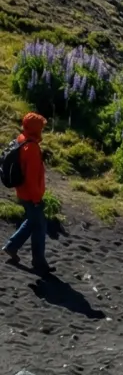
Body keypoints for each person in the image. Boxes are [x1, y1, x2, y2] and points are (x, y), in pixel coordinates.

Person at [3, 112, 49, 272]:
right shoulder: (32, 148)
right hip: (31, 195)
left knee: (32, 222)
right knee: (40, 226)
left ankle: (12, 247)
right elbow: (31, 178)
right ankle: (39, 262)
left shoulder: (22, 139)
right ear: (36, 129)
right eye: (41, 127)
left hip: (22, 192)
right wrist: (37, 199)